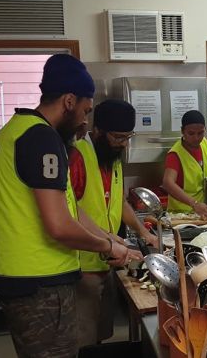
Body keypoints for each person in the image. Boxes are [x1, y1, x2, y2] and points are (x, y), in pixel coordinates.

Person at [0, 54, 141, 358]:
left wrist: (109, 237)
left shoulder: (14, 130)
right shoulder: (42, 138)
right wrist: (107, 247)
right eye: (85, 110)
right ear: (69, 101)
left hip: (21, 276)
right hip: (39, 280)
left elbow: (71, 209)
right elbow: (59, 225)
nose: (85, 121)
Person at [68, 99, 159, 347]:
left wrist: (143, 232)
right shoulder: (78, 157)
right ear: (97, 131)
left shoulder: (112, 158)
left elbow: (119, 202)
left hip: (107, 259)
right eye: (118, 137)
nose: (124, 144)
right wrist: (107, 239)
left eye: (128, 137)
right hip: (82, 265)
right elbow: (69, 210)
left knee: (99, 334)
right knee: (83, 340)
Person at [163, 110, 207, 220]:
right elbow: (168, 183)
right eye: (191, 133)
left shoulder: (205, 143)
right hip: (181, 216)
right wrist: (194, 204)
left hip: (204, 213)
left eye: (200, 133)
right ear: (182, 131)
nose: (196, 138)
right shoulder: (175, 154)